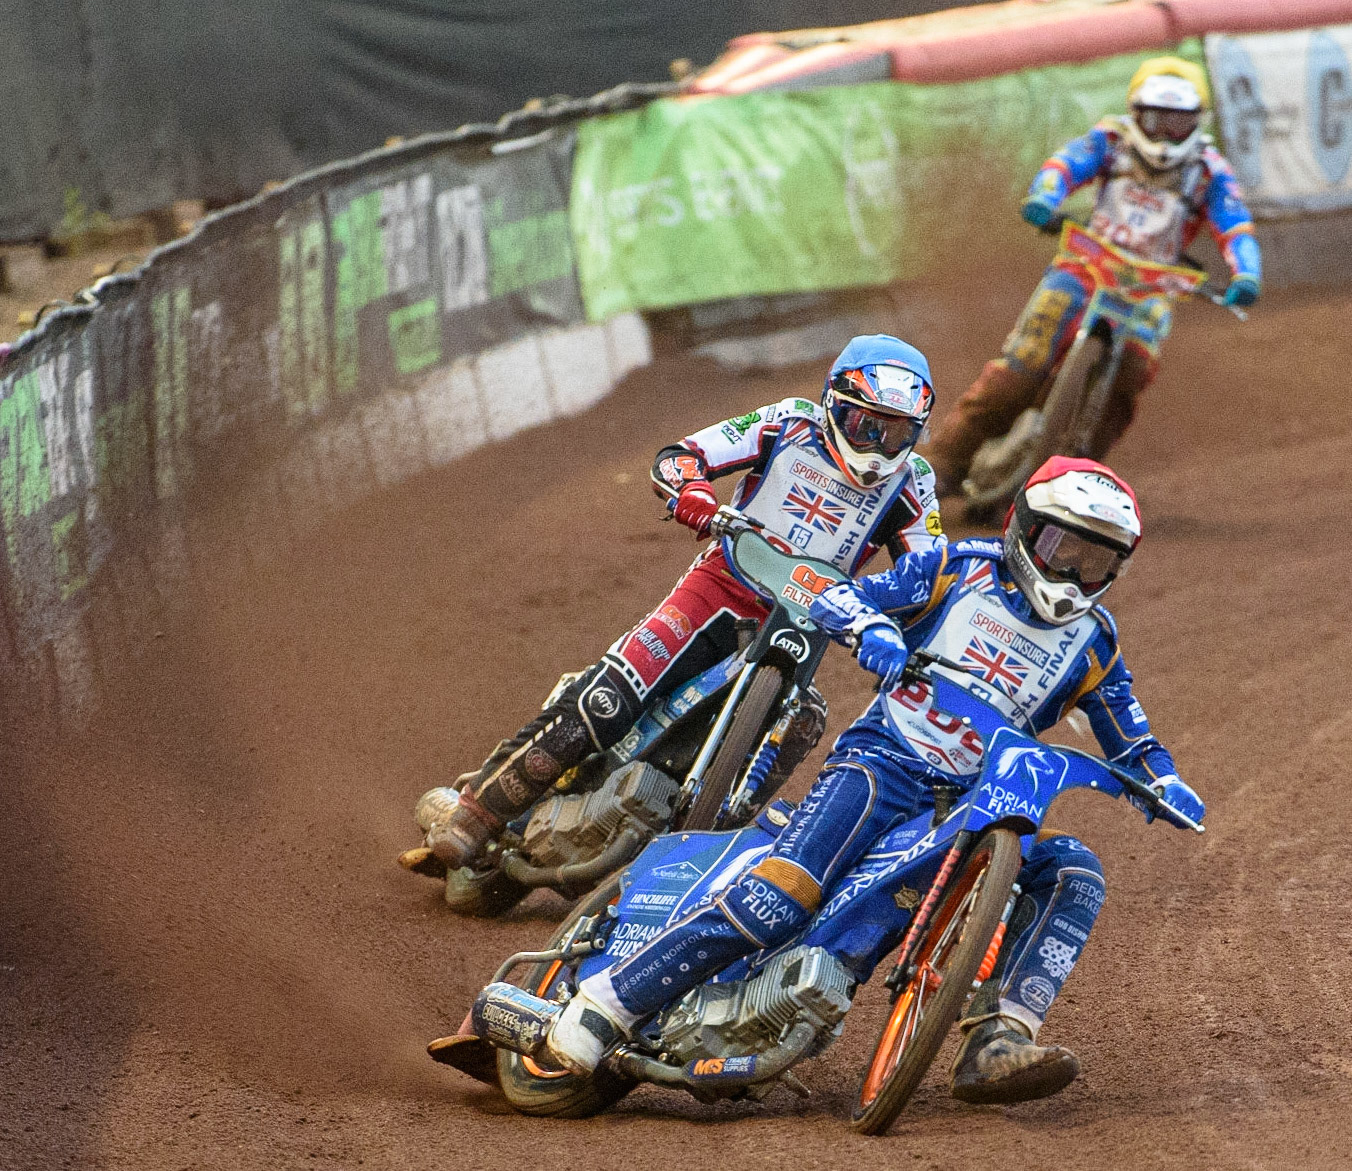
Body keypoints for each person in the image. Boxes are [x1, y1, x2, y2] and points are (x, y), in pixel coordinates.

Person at [534, 457, 1205, 1105]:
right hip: (883, 761)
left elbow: (1134, 739)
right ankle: (605, 1004)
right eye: (1063, 548)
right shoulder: (955, 569)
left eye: (1097, 561)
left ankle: (998, 1040)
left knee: (1076, 873)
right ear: (1026, 530)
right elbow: (848, 594)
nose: (1074, 572)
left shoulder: (1095, 643)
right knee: (783, 894)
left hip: (976, 798)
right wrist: (873, 628)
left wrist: (1166, 781)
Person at [422, 334, 943, 871]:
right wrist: (694, 495)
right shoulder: (788, 423)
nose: (879, 446)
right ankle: (475, 812)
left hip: (806, 625)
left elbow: (931, 572)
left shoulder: (914, 482)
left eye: (897, 432)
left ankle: (700, 840)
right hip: (719, 588)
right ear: (836, 404)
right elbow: (680, 458)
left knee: (802, 724)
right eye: (867, 426)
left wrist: (895, 617)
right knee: (607, 701)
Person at [930, 56, 1262, 492]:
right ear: (1135, 112)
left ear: (1197, 122)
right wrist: (1046, 197)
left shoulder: (1209, 171)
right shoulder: (1111, 140)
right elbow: (1065, 165)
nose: (1163, 134)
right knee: (1021, 366)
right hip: (1085, 265)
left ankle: (1073, 482)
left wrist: (1246, 273)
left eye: (1176, 123)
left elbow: (1235, 226)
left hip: (1151, 287)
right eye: (1155, 119)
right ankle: (945, 459)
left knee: (1130, 376)